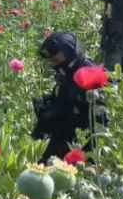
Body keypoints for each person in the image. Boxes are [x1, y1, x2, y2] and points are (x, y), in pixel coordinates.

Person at [32, 31, 106, 164]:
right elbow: (64, 97)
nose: (53, 65)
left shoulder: (91, 76)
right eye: (52, 61)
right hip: (62, 133)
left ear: (69, 52)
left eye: (56, 60)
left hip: (80, 144)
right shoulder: (67, 70)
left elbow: (100, 125)